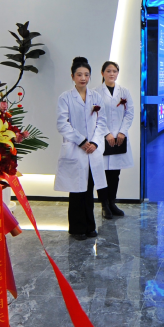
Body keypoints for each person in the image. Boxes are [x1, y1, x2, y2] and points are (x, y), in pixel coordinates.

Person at [55, 57, 108, 240]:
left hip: (92, 150)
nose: (83, 78)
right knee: (77, 190)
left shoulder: (96, 97)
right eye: (79, 75)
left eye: (86, 74)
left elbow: (102, 122)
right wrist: (81, 141)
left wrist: (94, 142)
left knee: (89, 189)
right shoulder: (65, 97)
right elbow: (62, 124)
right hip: (75, 148)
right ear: (72, 76)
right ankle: (77, 229)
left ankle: (90, 226)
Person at [95, 61, 134, 220]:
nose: (112, 74)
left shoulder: (124, 92)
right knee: (102, 172)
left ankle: (112, 203)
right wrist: (106, 133)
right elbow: (95, 115)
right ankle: (104, 205)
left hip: (119, 138)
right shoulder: (95, 93)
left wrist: (122, 132)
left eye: (115, 71)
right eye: (108, 71)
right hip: (102, 137)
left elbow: (129, 113)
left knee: (115, 173)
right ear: (102, 73)